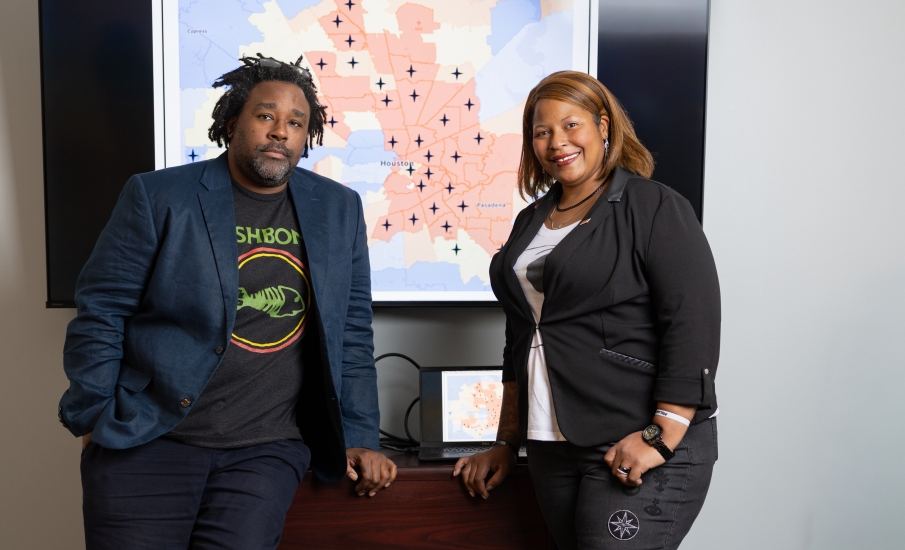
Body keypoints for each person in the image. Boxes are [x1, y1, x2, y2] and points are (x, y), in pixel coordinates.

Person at [59, 54, 397, 550]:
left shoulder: (338, 209)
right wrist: (92, 413)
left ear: (308, 135)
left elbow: (350, 330)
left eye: (295, 122)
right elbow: (102, 309)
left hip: (265, 451)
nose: (280, 131)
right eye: (266, 116)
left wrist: (362, 432)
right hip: (151, 439)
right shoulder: (158, 196)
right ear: (233, 121)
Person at [453, 71, 720, 549]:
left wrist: (661, 434)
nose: (558, 142)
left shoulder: (653, 206)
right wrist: (506, 441)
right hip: (551, 448)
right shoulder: (530, 221)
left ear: (603, 126)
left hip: (631, 436)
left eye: (571, 125)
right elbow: (522, 336)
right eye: (542, 132)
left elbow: (691, 321)